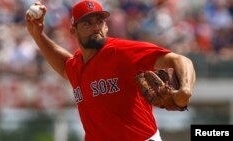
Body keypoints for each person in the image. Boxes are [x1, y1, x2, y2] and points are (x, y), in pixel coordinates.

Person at [25, 0, 196, 141]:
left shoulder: (121, 51)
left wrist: (185, 90)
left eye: (100, 21)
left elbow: (180, 60)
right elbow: (64, 65)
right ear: (73, 31)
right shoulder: (76, 65)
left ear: (106, 27)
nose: (95, 27)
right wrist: (38, 35)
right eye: (87, 23)